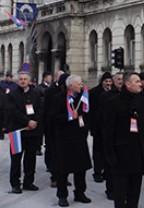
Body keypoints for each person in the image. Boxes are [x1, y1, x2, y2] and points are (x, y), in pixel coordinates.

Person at [104, 73, 144, 208]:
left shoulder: (143, 102)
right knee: (120, 192)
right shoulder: (113, 103)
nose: (140, 84)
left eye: (140, 81)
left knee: (135, 191)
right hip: (121, 155)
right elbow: (107, 131)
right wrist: (110, 155)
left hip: (138, 154)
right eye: (136, 81)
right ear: (127, 84)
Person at [50, 74, 92, 206]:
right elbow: (53, 118)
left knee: (81, 168)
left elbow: (87, 115)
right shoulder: (59, 98)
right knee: (63, 170)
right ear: (71, 85)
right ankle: (62, 195)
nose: (81, 85)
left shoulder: (83, 98)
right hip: (64, 139)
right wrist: (68, 116)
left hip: (79, 137)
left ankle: (80, 192)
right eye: (79, 83)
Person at [6, 71, 44, 194]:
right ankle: (15, 184)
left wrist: (35, 121)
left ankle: (29, 182)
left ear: (29, 81)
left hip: (33, 132)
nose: (23, 81)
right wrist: (27, 121)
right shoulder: (12, 94)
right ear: (18, 81)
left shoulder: (37, 93)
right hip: (17, 131)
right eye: (21, 79)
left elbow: (41, 109)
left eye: (25, 79)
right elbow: (12, 111)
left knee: (30, 157)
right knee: (16, 159)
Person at [90, 72, 114, 183]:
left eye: (110, 81)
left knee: (107, 149)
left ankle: (106, 170)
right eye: (106, 81)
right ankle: (97, 171)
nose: (108, 84)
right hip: (98, 126)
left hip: (109, 127)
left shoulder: (114, 92)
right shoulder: (94, 92)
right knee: (98, 150)